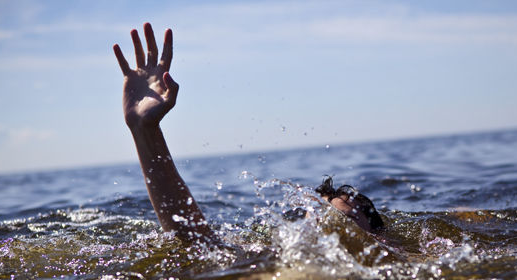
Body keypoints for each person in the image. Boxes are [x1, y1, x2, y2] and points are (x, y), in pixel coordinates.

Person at [113, 23, 383, 245]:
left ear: (379, 240)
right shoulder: (271, 260)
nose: (326, 226)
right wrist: (145, 131)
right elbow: (196, 242)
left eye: (343, 220)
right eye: (319, 219)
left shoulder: (392, 266)